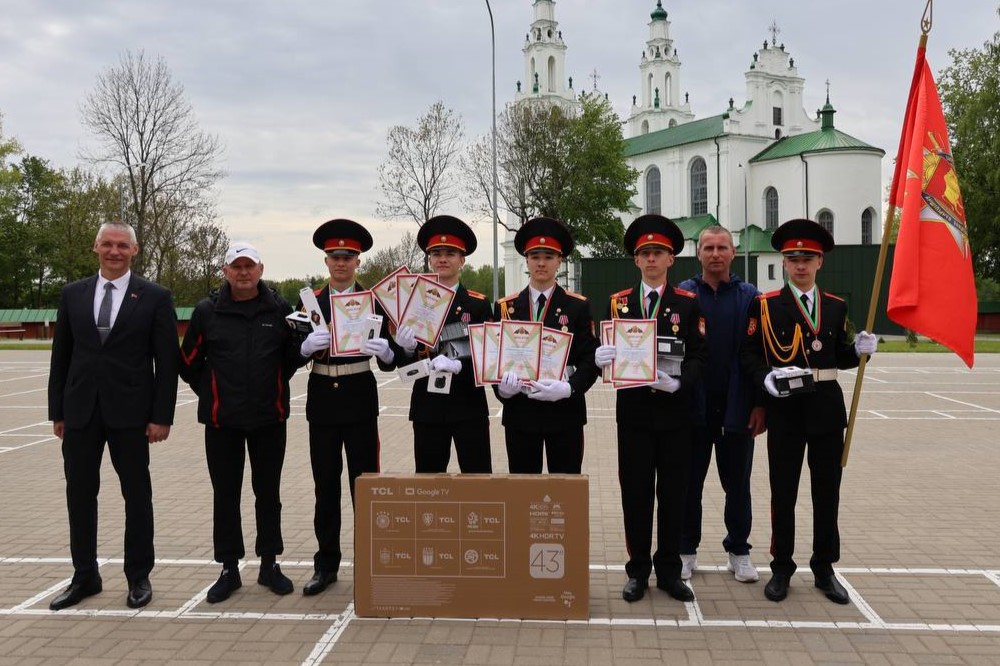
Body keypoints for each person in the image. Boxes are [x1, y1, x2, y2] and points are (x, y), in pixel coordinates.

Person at [740, 218, 878, 604]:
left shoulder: (835, 306)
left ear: (820, 262)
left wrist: (860, 351)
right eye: (793, 258)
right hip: (785, 409)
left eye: (808, 258)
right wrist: (764, 380)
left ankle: (824, 566)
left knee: (826, 493)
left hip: (826, 410)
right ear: (784, 263)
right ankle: (781, 567)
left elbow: (839, 357)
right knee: (783, 492)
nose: (800, 265)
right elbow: (749, 353)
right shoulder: (765, 305)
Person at [47, 221, 179, 610]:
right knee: (80, 495)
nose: (114, 251)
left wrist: (162, 417)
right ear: (96, 246)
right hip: (81, 413)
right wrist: (58, 410)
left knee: (137, 496)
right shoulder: (73, 294)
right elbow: (62, 358)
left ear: (134, 251)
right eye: (108, 244)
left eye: (123, 245)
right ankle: (84, 575)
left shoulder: (155, 296)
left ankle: (138, 576)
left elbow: (167, 363)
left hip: (133, 415)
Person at [179, 242, 306, 603]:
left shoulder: (279, 309)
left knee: (268, 494)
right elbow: (187, 360)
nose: (243, 272)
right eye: (237, 266)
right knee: (226, 495)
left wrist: (276, 381)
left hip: (269, 418)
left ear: (261, 270)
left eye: (249, 266)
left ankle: (269, 564)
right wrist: (210, 390)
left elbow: (291, 358)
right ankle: (229, 568)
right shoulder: (208, 311)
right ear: (225, 271)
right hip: (222, 422)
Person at [593, 214, 707, 603]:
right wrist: (602, 358)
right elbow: (610, 355)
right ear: (636, 261)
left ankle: (671, 572)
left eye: (659, 253)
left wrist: (679, 383)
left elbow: (698, 356)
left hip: (676, 416)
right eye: (645, 254)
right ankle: (638, 570)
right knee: (636, 495)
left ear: (672, 259)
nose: (652, 260)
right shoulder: (619, 303)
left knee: (674, 494)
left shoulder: (688, 304)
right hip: (635, 415)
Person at [296, 218, 403, 596]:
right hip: (323, 398)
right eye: (334, 257)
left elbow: (393, 359)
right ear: (326, 261)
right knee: (325, 487)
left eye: (348, 257)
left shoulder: (375, 302)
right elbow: (294, 352)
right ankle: (326, 564)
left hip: (359, 396)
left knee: (366, 486)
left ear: (358, 261)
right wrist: (304, 349)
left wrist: (388, 351)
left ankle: (373, 562)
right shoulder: (311, 302)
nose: (340, 263)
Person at [677, 226, 765, 584]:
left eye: (722, 247)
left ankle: (739, 551)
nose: (715, 254)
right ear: (697, 253)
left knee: (738, 484)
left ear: (733, 251)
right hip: (692, 408)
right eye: (708, 248)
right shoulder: (683, 293)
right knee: (688, 484)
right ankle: (685, 551)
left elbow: (760, 353)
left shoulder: (750, 297)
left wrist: (760, 403)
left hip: (738, 408)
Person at [493, 217, 599, 474]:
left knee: (565, 497)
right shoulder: (506, 308)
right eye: (535, 256)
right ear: (526, 260)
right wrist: (502, 390)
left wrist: (569, 388)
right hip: (521, 415)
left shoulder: (578, 306)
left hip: (565, 415)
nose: (541, 263)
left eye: (549, 256)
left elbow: (590, 359)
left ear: (559, 260)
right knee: (522, 495)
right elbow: (493, 359)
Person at [397, 215, 493, 473]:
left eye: (450, 253)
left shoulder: (478, 305)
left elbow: (489, 357)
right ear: (429, 259)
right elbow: (402, 363)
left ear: (462, 260)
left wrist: (460, 366)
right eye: (436, 253)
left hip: (468, 407)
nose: (442, 259)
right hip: (428, 408)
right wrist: (405, 347)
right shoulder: (413, 303)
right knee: (429, 487)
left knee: (478, 483)